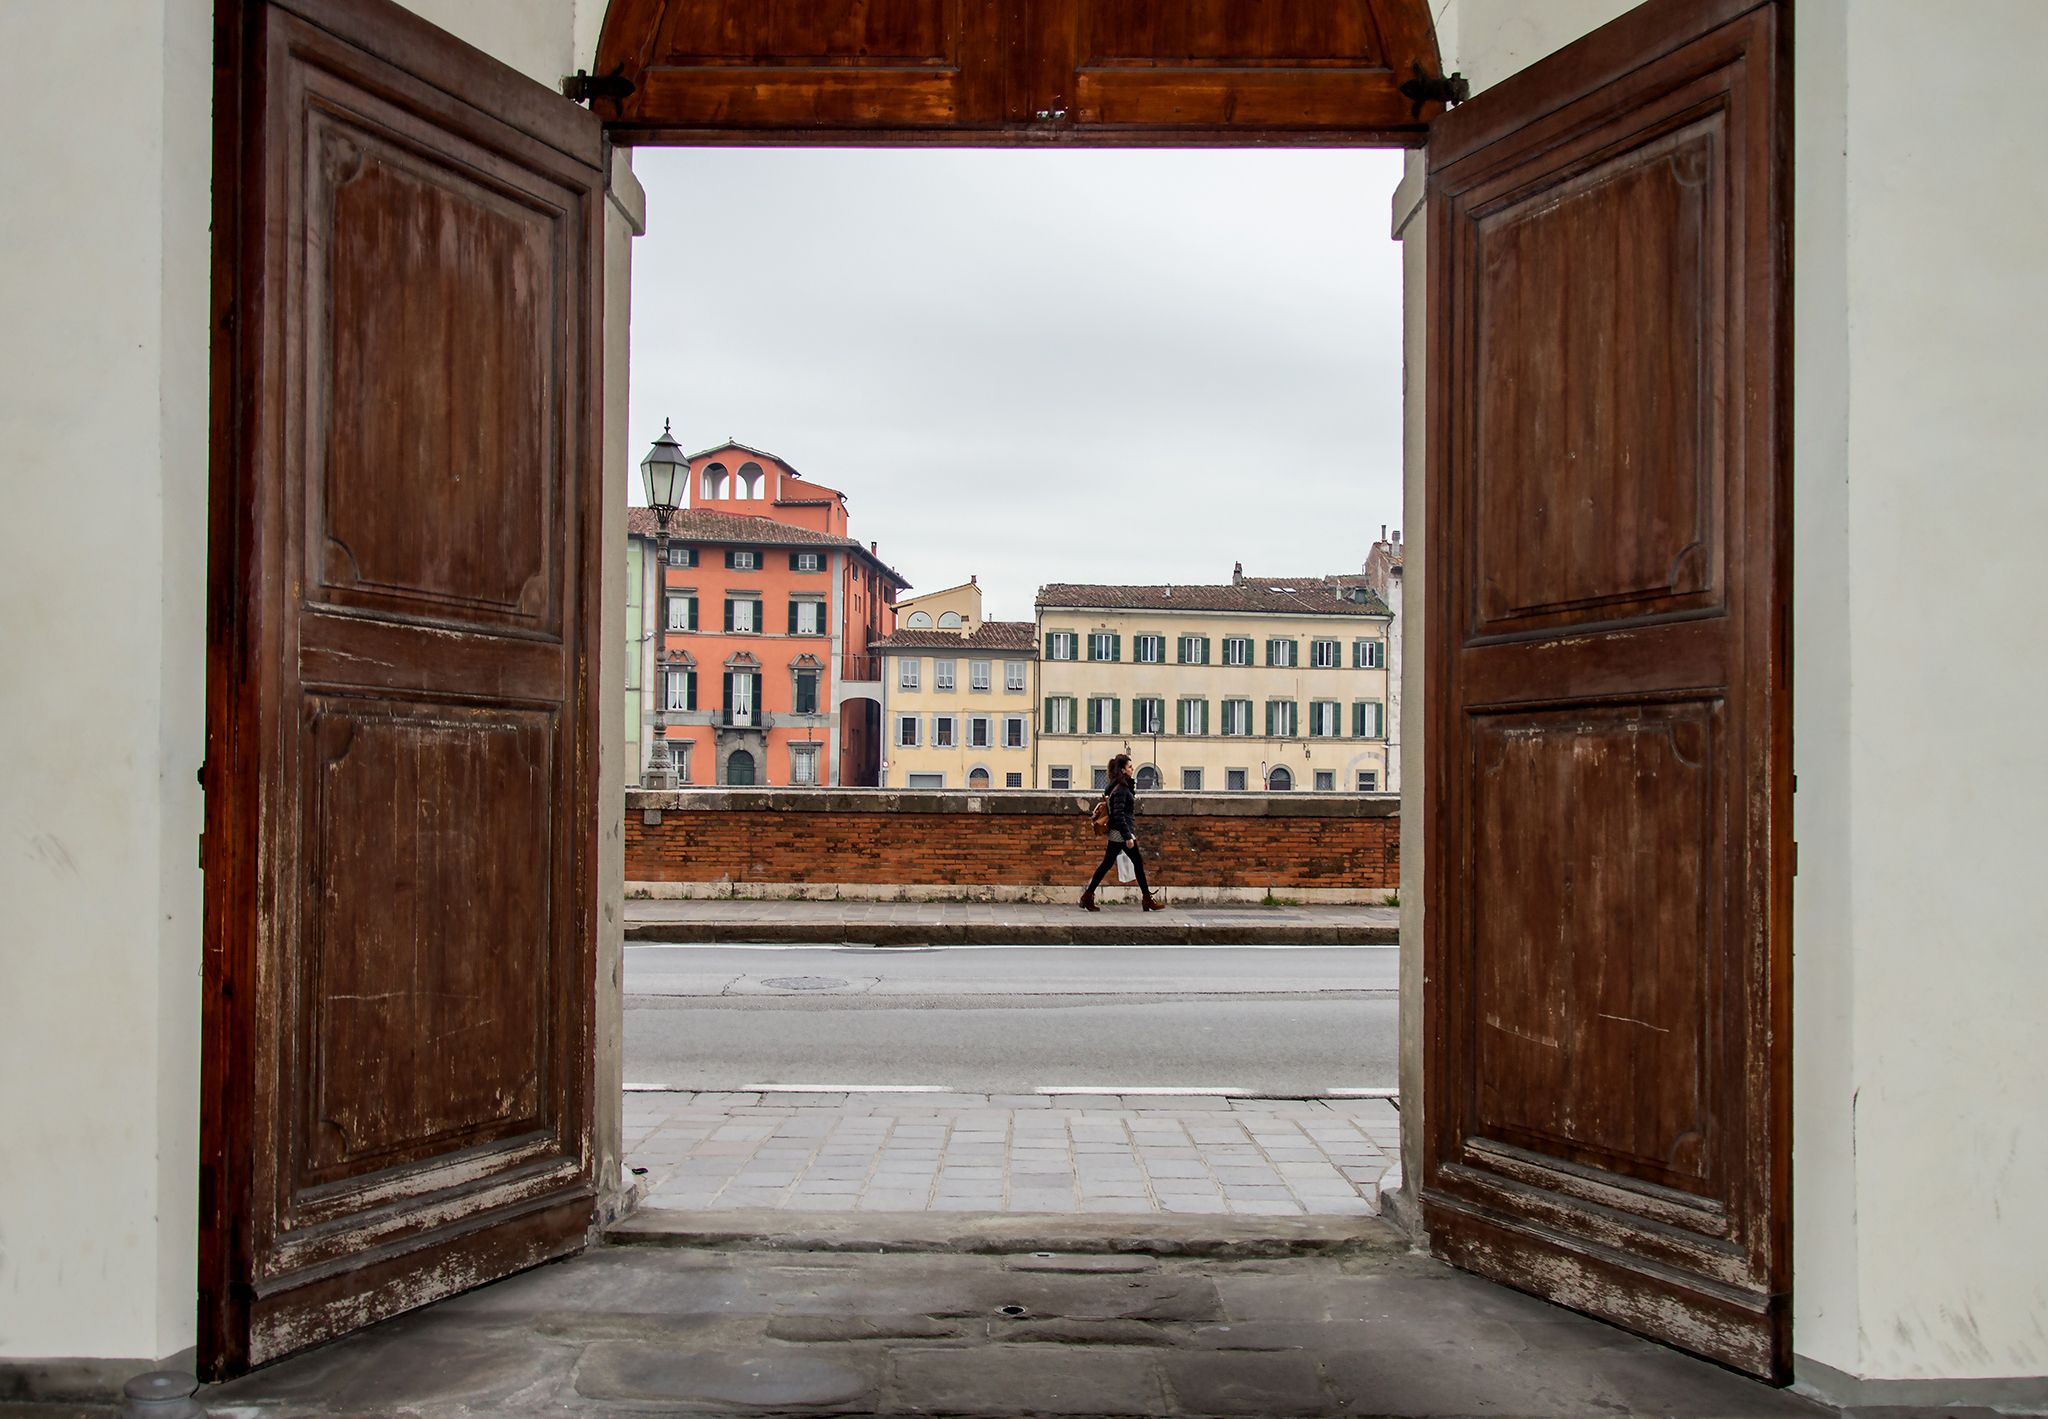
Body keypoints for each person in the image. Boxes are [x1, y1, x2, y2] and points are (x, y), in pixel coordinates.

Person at [1081, 753, 1162, 912]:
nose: (1132, 769)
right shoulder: (1122, 790)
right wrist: (1128, 836)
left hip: (1118, 832)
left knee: (1107, 864)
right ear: (1123, 770)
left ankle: (1087, 896)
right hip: (1121, 833)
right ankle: (1147, 898)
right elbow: (1119, 815)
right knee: (1137, 862)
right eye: (1130, 767)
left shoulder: (1118, 786)